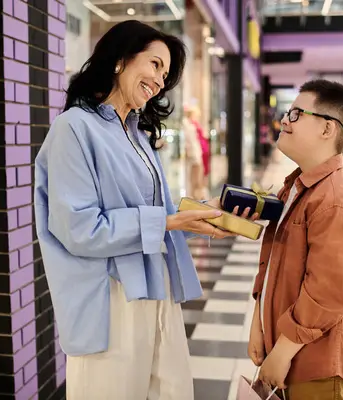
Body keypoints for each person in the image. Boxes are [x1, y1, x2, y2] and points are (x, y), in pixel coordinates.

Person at [34, 20, 256, 399]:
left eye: (165, 74)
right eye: (155, 64)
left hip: (157, 288)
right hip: (109, 299)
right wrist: (168, 221)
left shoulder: (137, 134)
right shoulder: (73, 129)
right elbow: (80, 229)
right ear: (120, 60)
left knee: (173, 391)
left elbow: (159, 215)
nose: (159, 80)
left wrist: (206, 214)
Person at [249, 79, 343, 400]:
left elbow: (327, 293)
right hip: (287, 352)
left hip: (315, 366)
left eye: (295, 114)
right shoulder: (298, 187)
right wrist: (259, 326)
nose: (284, 121)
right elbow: (274, 266)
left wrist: (283, 352)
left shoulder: (336, 201)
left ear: (327, 129)